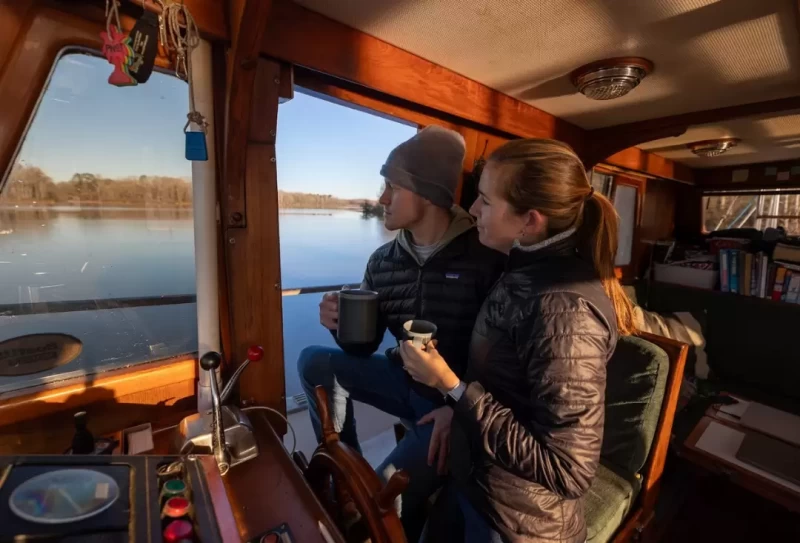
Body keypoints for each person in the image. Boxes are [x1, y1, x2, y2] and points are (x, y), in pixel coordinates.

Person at [400, 138, 635, 543]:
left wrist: (452, 388)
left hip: (515, 521)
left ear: (530, 221)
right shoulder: (524, 269)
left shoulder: (564, 309)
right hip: (479, 482)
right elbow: (508, 386)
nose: (473, 210)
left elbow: (567, 469)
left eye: (486, 201)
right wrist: (457, 411)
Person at [297, 125, 506, 541]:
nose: (382, 198)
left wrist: (459, 409)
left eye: (392, 186)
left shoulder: (486, 257)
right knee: (313, 361)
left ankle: (369, 498)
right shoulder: (383, 261)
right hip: (402, 381)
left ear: (428, 192)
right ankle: (346, 471)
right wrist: (339, 324)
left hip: (455, 404)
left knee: (379, 504)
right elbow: (364, 347)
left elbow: (506, 359)